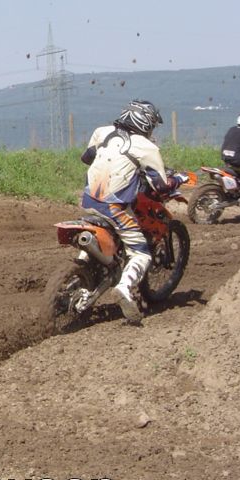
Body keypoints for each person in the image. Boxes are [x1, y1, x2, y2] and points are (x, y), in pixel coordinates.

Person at [80, 100, 188, 326]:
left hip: (89, 200)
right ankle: (124, 287)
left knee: (101, 229)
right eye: (152, 125)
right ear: (145, 122)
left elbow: (87, 157)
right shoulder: (146, 147)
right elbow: (161, 186)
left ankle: (83, 268)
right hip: (114, 208)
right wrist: (179, 179)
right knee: (141, 254)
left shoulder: (102, 132)